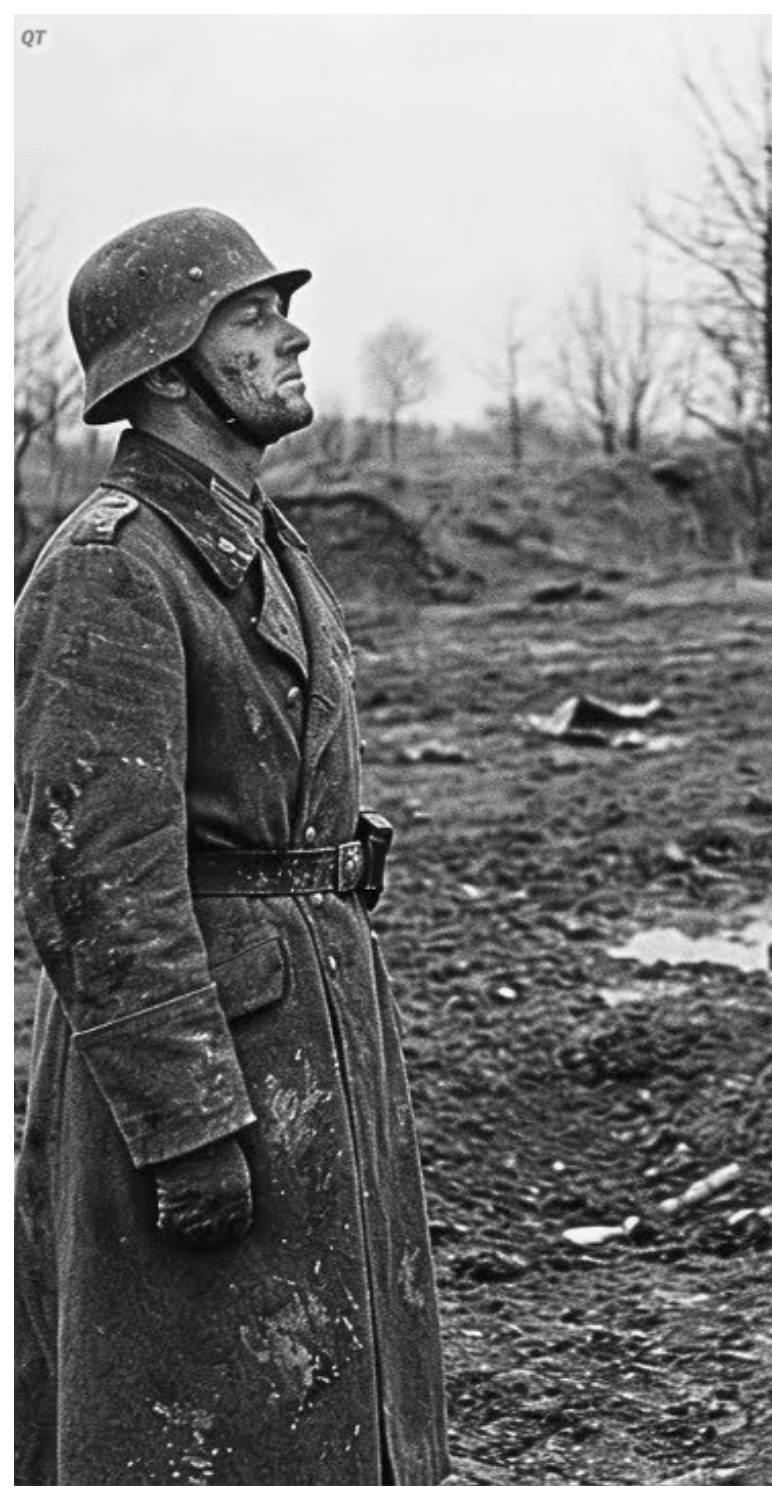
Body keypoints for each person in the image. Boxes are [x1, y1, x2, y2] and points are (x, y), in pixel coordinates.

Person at [15, 208, 449, 1485]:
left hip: (314, 1030)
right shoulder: (112, 568)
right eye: (252, 318)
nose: (294, 332)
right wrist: (187, 1126)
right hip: (212, 1066)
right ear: (163, 373)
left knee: (341, 1406)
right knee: (204, 1418)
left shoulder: (256, 540)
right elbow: (94, 877)